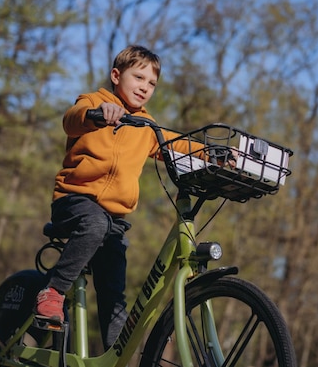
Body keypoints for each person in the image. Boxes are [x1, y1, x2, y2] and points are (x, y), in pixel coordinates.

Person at [35, 45, 203, 351]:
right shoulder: (94, 102)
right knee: (95, 223)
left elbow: (178, 147)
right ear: (116, 76)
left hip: (113, 219)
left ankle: (118, 358)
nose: (144, 87)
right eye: (138, 77)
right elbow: (71, 119)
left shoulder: (148, 126)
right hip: (73, 201)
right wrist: (96, 115)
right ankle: (53, 291)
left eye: (151, 83)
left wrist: (215, 154)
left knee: (114, 295)